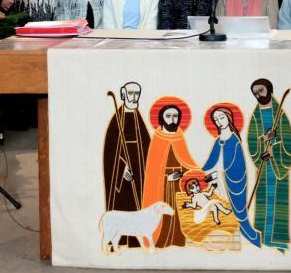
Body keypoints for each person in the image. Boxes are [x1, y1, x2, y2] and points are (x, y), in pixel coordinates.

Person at [246, 79, 291, 251]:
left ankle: (277, 238)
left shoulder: (279, 114)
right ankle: (264, 237)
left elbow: (288, 142)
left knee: (277, 201)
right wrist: (263, 142)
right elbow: (252, 142)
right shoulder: (255, 116)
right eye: (255, 93)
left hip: (277, 165)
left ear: (269, 89)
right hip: (264, 167)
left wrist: (274, 148)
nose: (258, 95)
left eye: (261, 90)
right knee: (264, 202)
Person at [203, 106, 262, 247]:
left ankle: (252, 236)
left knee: (239, 213)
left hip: (234, 182)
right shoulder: (218, 141)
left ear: (228, 118)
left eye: (221, 117)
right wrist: (197, 172)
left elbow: (235, 165)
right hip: (220, 182)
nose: (219, 122)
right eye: (216, 120)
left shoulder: (234, 140)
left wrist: (217, 175)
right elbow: (210, 162)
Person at [143, 101, 199, 248]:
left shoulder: (179, 136)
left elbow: (186, 160)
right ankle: (161, 240)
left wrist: (193, 172)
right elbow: (153, 170)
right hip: (163, 186)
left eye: (175, 116)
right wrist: (166, 177)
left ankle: (178, 240)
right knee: (165, 213)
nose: (172, 120)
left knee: (180, 214)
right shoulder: (158, 138)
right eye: (168, 116)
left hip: (179, 183)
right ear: (161, 118)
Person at [103, 81, 150, 248]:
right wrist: (121, 169)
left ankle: (136, 239)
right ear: (123, 94)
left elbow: (147, 146)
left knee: (138, 207)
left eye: (137, 94)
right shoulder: (117, 119)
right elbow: (110, 150)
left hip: (139, 170)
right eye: (130, 94)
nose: (134, 97)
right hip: (121, 176)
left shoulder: (138, 119)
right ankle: (119, 240)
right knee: (122, 205)